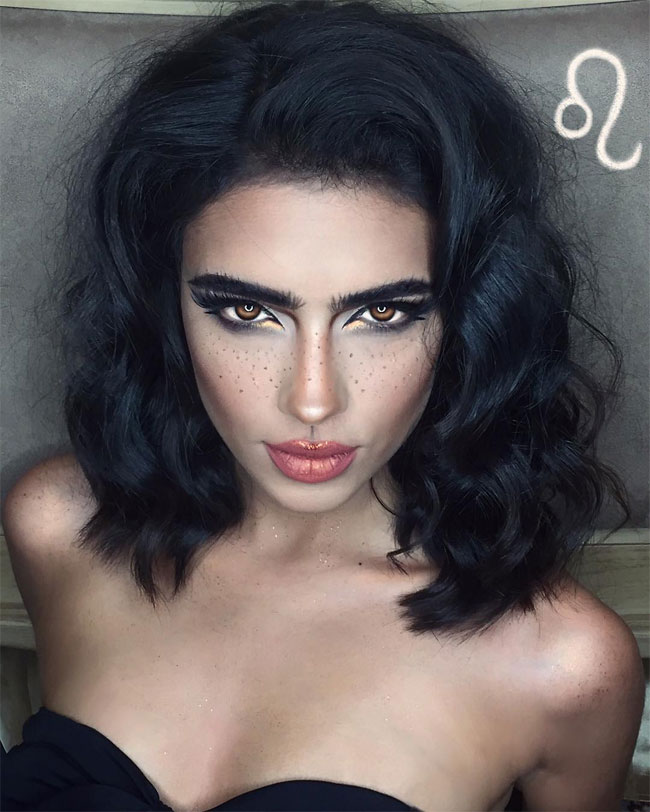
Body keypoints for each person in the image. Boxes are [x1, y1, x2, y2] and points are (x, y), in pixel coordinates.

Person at [0, 0, 645, 810]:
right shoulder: (60, 527)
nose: (312, 397)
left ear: (470, 318)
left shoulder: (561, 666)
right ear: (164, 305)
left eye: (383, 313)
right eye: (247, 311)